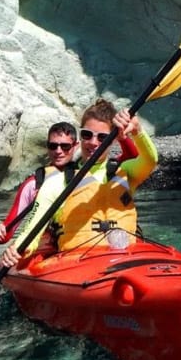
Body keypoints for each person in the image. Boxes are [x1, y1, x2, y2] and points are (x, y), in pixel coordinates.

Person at [0, 114, 142, 268]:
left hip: (86, 245)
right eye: (53, 146)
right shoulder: (35, 183)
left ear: (76, 146)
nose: (59, 151)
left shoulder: (88, 171)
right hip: (46, 246)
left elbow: (132, 157)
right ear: (47, 147)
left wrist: (123, 136)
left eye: (65, 146)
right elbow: (10, 228)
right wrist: (2, 233)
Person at [49, 98, 158, 253]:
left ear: (113, 140)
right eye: (87, 135)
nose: (93, 142)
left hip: (124, 259)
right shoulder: (60, 178)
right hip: (75, 263)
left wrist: (137, 130)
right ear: (80, 137)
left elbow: (150, 160)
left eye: (102, 137)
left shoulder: (125, 171)